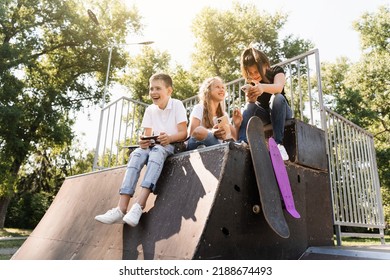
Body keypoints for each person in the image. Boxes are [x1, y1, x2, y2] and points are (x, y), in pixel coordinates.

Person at [95, 73, 188, 226]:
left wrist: (169, 138)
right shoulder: (150, 110)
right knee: (137, 153)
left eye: (158, 88)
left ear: (169, 91)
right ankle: (121, 208)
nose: (153, 92)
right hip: (154, 145)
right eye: (151, 89)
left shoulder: (177, 104)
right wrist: (142, 141)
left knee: (157, 151)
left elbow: (184, 133)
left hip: (171, 145)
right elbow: (147, 135)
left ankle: (139, 205)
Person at [234, 47, 292, 160]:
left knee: (277, 97)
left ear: (266, 65)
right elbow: (251, 106)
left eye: (256, 71)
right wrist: (251, 97)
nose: (254, 75)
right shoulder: (251, 80)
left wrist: (262, 87)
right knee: (248, 106)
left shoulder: (277, 70)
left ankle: (278, 144)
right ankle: (242, 141)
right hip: (265, 115)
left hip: (281, 112)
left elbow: (279, 88)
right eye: (250, 73)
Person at [187, 76, 238, 150]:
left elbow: (237, 138)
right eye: (217, 87)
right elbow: (193, 133)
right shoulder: (199, 108)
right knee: (201, 130)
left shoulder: (224, 115)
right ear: (208, 91)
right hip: (195, 146)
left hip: (215, 149)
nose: (222, 90)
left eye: (223, 87)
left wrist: (237, 124)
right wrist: (212, 133)